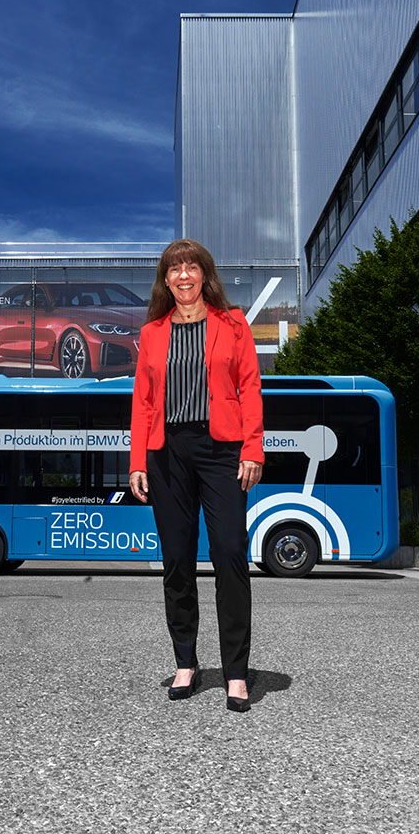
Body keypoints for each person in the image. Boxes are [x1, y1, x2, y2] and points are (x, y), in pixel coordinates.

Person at [129, 239, 263, 713]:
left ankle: (236, 672)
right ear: (165, 280)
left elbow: (249, 388)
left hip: (221, 450)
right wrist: (139, 461)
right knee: (177, 560)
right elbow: (143, 402)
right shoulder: (152, 333)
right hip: (168, 454)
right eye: (174, 269)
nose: (183, 275)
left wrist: (253, 447)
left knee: (229, 553)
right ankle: (185, 662)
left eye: (191, 267)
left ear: (204, 276)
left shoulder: (233, 324)